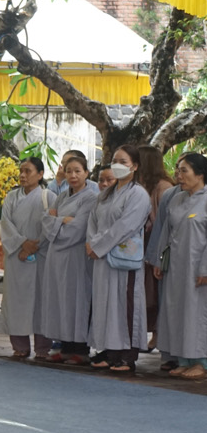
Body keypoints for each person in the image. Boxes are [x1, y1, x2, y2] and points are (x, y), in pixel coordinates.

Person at [86, 145, 152, 373]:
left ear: (134, 166)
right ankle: (109, 350)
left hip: (123, 259)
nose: (118, 165)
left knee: (125, 304)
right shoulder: (106, 193)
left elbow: (125, 226)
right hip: (102, 258)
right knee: (105, 304)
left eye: (123, 161)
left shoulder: (138, 195)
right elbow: (93, 221)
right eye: (115, 160)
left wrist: (99, 245)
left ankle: (127, 354)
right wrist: (92, 243)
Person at [150, 153, 207, 379]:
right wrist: (160, 261)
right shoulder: (176, 199)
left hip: (197, 268)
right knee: (177, 312)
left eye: (184, 171)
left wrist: (205, 268)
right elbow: (166, 233)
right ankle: (183, 359)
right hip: (175, 268)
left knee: (197, 313)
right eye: (178, 170)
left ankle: (201, 361)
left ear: (200, 174)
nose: (179, 176)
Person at [38, 155, 100, 365]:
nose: (73, 175)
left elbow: (78, 229)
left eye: (77, 171)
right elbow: (45, 221)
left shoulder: (90, 198)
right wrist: (61, 220)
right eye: (69, 171)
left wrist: (56, 221)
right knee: (59, 300)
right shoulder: (62, 196)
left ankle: (80, 349)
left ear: (86, 173)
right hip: (56, 257)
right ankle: (64, 346)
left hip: (76, 257)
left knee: (77, 300)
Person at [0, 157, 55, 359]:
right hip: (16, 258)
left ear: (40, 175)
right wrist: (23, 244)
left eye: (28, 171)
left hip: (39, 257)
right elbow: (6, 225)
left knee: (41, 301)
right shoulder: (11, 197)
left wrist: (33, 246)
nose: (22, 175)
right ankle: (20, 347)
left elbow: (50, 228)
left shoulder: (48, 197)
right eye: (21, 171)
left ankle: (42, 348)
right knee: (16, 302)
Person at [136, 145, 174, 351]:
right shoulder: (142, 185)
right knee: (145, 294)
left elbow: (163, 223)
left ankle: (159, 335)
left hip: (155, 246)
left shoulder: (163, 187)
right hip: (140, 247)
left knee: (156, 294)